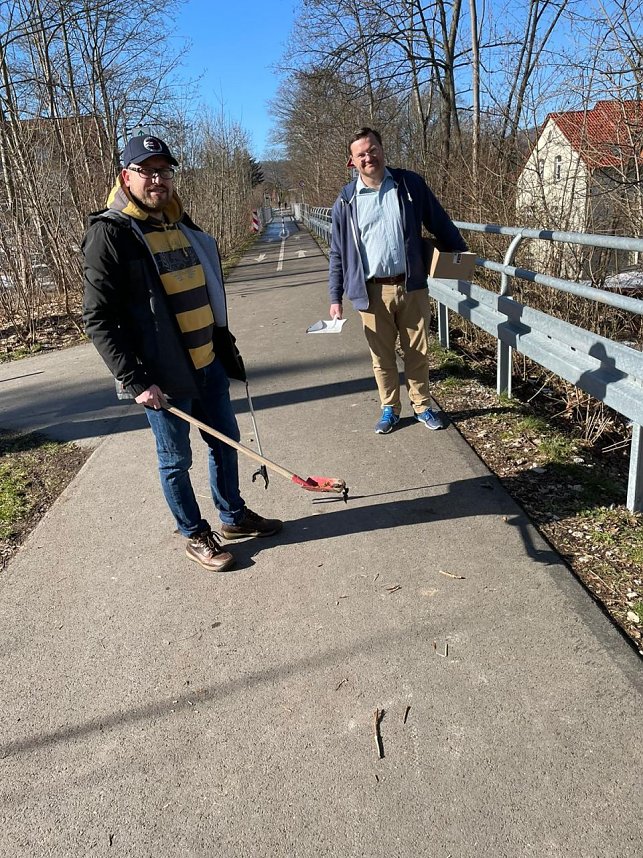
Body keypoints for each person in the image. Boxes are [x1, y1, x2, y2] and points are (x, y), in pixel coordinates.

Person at [82, 134, 282, 573]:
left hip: (207, 360)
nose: (158, 180)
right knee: (175, 460)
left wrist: (222, 341)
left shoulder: (179, 222)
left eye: (165, 171)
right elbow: (97, 319)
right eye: (148, 171)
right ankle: (194, 534)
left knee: (225, 443)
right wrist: (134, 380)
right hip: (163, 375)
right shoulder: (110, 234)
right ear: (126, 176)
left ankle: (232, 517)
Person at [328, 127, 467, 434]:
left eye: (372, 149)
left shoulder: (408, 184)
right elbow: (337, 252)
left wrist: (461, 255)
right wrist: (335, 297)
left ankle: (422, 406)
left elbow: (438, 220)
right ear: (352, 162)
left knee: (417, 351)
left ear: (382, 148)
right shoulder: (346, 201)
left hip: (412, 285)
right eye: (361, 154)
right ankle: (390, 408)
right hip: (370, 291)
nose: (369, 157)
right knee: (382, 355)